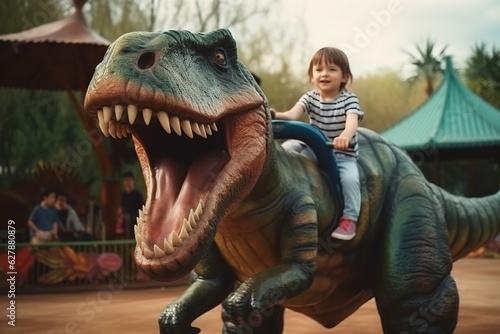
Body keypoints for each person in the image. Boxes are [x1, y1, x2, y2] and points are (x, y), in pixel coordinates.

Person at [271, 47, 364, 241]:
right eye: (319, 69)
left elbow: (352, 122)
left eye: (331, 69)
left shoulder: (349, 100)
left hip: (341, 152)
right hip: (316, 148)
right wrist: (276, 115)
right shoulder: (310, 97)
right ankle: (286, 205)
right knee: (288, 153)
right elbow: (291, 115)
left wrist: (345, 136)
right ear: (312, 76)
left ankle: (349, 218)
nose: (324, 74)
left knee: (350, 179)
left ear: (344, 76)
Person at [120, 172, 144, 239]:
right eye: (126, 180)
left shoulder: (138, 195)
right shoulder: (123, 195)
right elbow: (121, 208)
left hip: (135, 220)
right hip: (125, 221)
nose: (128, 182)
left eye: (129, 180)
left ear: (133, 181)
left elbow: (141, 209)